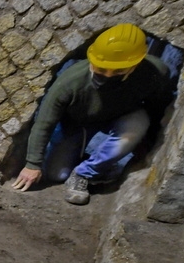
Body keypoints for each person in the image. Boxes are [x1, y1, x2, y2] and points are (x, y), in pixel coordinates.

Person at [11, 23, 175, 204]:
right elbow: (44, 123)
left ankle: (84, 172)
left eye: (118, 70)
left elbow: (157, 104)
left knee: (138, 124)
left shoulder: (155, 72)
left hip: (122, 116)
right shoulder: (71, 81)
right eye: (101, 68)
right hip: (78, 122)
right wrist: (32, 164)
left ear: (135, 64)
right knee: (57, 174)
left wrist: (147, 140)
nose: (108, 75)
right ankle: (81, 156)